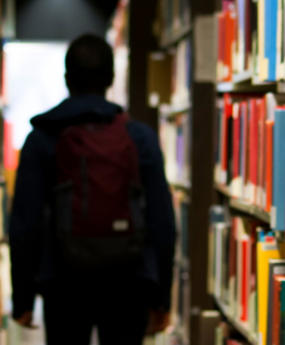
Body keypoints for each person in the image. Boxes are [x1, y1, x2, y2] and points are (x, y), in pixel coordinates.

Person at [9, 33, 177, 345]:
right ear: (111, 78)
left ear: (67, 78)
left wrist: (23, 299)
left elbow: (24, 223)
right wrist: (161, 296)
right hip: (131, 281)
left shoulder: (42, 138)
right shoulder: (140, 137)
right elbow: (163, 223)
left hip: (63, 282)